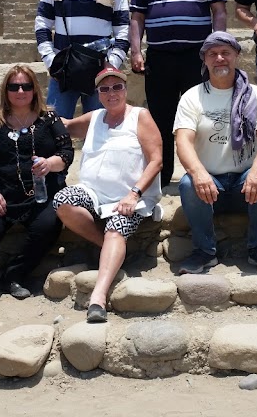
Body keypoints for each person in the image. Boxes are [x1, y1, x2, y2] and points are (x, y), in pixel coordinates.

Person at [0, 65, 75, 316]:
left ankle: (14, 275)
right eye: (14, 87)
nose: (20, 91)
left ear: (34, 89)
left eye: (26, 86)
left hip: (41, 194)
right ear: (6, 90)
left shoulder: (49, 118)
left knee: (48, 226)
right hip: (1, 194)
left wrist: (50, 163)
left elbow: (66, 152)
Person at [54, 66, 163, 323]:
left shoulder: (140, 116)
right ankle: (109, 249)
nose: (111, 93)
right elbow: (66, 126)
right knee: (62, 201)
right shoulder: (94, 117)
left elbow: (156, 161)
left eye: (117, 87)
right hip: (93, 194)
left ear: (125, 89)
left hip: (130, 198)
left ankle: (98, 297)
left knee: (116, 228)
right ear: (98, 93)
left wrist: (134, 194)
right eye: (104, 89)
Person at [129, 0, 228, 187]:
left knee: (202, 117)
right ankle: (161, 179)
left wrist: (218, 46)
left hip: (197, 57)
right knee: (160, 120)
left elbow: (219, 11)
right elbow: (137, 18)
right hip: (159, 59)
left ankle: (205, 176)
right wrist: (136, 51)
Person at [173, 31, 257, 275]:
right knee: (188, 183)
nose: (219, 58)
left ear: (236, 56)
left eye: (226, 53)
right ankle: (204, 251)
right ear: (205, 59)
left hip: (247, 186)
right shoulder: (192, 97)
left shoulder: (256, 95)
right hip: (210, 187)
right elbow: (183, 141)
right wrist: (199, 173)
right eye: (213, 54)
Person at [35, 0, 130, 118]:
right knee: (55, 125)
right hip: (63, 71)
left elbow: (123, 30)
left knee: (101, 127)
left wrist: (112, 64)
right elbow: (42, 23)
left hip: (100, 72)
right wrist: (51, 61)